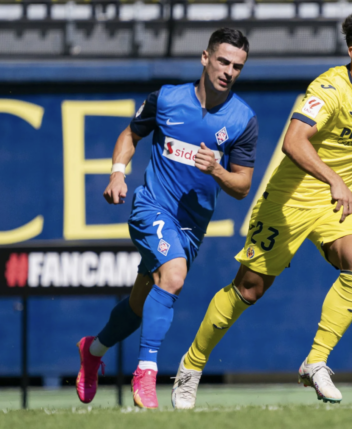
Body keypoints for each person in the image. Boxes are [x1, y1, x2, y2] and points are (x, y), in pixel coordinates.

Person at [170, 9, 352, 409]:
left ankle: (315, 362)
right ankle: (190, 368)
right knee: (250, 288)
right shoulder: (328, 91)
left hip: (337, 202)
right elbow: (293, 142)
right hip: (289, 201)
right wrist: (333, 179)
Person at [74, 28, 258, 409]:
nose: (228, 71)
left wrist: (219, 172)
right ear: (205, 58)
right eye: (222, 61)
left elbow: (242, 186)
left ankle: (92, 350)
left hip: (192, 226)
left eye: (237, 66)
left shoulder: (242, 119)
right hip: (152, 207)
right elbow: (131, 133)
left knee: (142, 304)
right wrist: (117, 171)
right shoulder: (167, 98)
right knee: (173, 276)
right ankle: (146, 374)